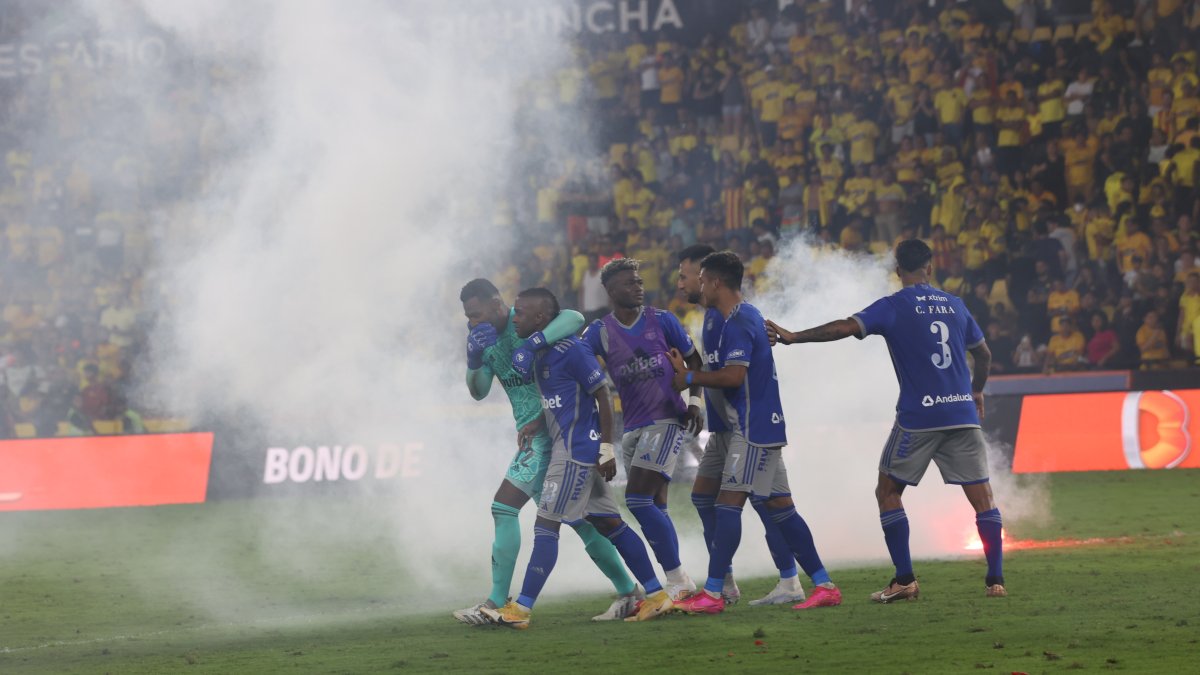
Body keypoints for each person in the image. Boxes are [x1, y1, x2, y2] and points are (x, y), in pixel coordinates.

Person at [765, 239, 1006, 601]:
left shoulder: (894, 305)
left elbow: (845, 327)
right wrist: (977, 392)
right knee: (983, 497)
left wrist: (794, 337)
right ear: (930, 267)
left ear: (897, 271)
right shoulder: (955, 305)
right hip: (962, 413)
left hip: (920, 416)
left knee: (888, 491)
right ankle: (995, 581)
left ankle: (905, 580)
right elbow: (984, 355)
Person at [483, 288, 674, 629]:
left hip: (574, 453)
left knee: (546, 526)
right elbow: (561, 402)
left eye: (521, 313)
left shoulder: (571, 349)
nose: (516, 319)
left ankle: (521, 610)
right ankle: (657, 596)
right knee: (610, 524)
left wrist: (606, 447)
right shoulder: (541, 353)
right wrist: (537, 423)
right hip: (572, 449)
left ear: (541, 318)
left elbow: (602, 395)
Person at [454, 279, 639, 625]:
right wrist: (473, 359)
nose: (473, 322)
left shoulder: (525, 320)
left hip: (552, 435)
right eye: (468, 317)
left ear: (497, 304)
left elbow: (574, 318)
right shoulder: (485, 341)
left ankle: (496, 602)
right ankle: (630, 592)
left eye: (477, 314)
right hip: (538, 437)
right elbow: (478, 392)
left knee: (503, 507)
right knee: (582, 522)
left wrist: (531, 344)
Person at [670, 251, 842, 614]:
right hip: (739, 429)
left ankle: (715, 592)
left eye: (701, 280)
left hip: (753, 428)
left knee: (728, 504)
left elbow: (734, 377)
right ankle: (823, 584)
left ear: (716, 282)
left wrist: (688, 377)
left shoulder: (742, 320)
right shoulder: (722, 318)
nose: (697, 286)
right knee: (778, 508)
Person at [582, 259, 702, 600]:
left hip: (667, 418)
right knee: (655, 505)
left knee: (635, 499)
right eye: (629, 283)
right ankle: (678, 582)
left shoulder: (662, 320)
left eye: (638, 281)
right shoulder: (599, 332)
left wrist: (695, 402)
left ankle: (678, 580)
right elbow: (577, 362)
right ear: (610, 291)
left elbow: (695, 361)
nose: (637, 287)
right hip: (632, 427)